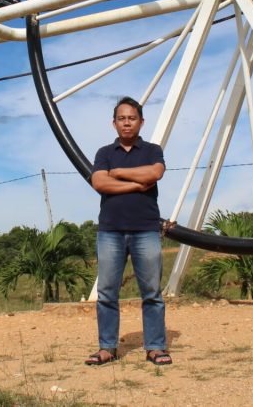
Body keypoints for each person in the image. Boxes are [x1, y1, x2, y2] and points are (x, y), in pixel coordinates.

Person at [85, 96, 172, 367]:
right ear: (114, 123)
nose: (126, 123)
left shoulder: (153, 150)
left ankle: (155, 347)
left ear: (141, 122)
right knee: (107, 293)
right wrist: (136, 184)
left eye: (132, 118)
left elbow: (155, 173)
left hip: (146, 229)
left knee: (152, 292)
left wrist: (119, 172)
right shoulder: (104, 153)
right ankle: (107, 347)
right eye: (121, 118)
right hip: (110, 231)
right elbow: (100, 182)